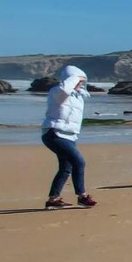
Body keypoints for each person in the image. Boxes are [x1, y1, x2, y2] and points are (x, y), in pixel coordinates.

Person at [40, 64, 97, 209]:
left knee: (66, 167)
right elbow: (64, 89)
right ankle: (82, 196)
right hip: (54, 133)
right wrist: (74, 77)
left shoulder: (79, 96)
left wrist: (80, 83)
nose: (80, 83)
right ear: (70, 79)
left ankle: (53, 199)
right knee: (79, 162)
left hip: (70, 136)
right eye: (78, 80)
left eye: (82, 81)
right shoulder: (57, 92)